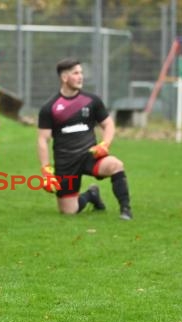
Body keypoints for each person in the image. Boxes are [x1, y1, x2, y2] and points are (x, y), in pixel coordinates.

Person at [37, 57, 132, 220]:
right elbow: (43, 140)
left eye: (81, 73)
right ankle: (91, 195)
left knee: (116, 164)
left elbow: (108, 124)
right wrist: (46, 170)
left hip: (90, 155)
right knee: (68, 211)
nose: (81, 76)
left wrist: (105, 144)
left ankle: (126, 210)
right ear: (64, 77)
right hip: (66, 162)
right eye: (76, 73)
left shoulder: (92, 101)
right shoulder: (49, 107)